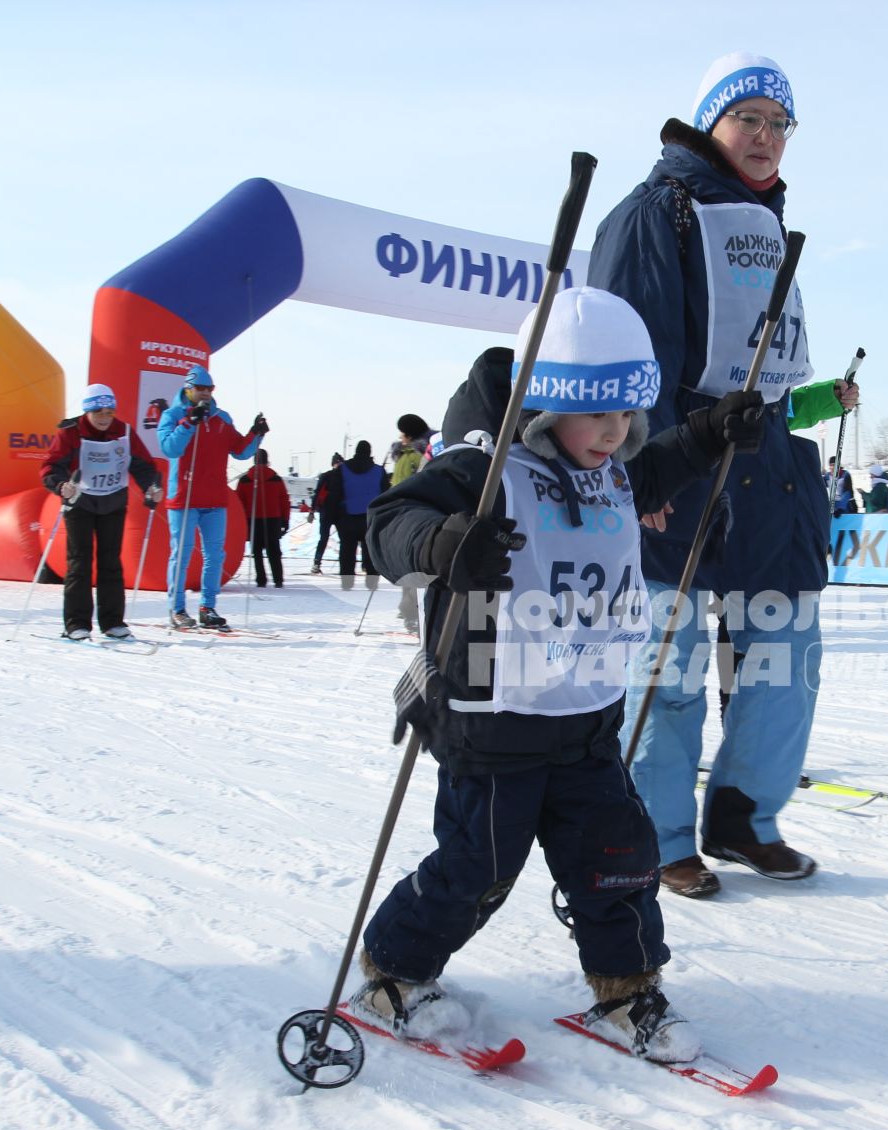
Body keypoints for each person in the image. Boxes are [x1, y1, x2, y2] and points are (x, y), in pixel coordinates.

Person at [358, 288, 762, 1059]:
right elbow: (388, 524)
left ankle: (627, 992)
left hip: (585, 715)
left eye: (623, 416)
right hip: (491, 711)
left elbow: (663, 464)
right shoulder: (488, 471)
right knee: (478, 864)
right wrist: (443, 543)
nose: (614, 433)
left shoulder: (612, 470)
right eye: (596, 414)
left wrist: (711, 432)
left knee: (619, 857)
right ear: (547, 408)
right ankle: (393, 973)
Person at [591, 51, 840, 898]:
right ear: (710, 121)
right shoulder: (655, 213)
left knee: (787, 661)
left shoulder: (766, 223)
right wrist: (643, 469)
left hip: (768, 472)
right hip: (685, 465)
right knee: (669, 669)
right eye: (749, 119)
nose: (766, 137)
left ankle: (745, 819)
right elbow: (626, 353)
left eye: (780, 124)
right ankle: (659, 836)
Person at [42, 384, 161, 640]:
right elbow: (51, 466)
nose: (105, 418)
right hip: (80, 503)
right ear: (87, 412)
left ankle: (112, 622)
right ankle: (77, 623)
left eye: (109, 412)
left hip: (113, 503)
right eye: (99, 412)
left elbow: (143, 465)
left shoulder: (124, 432)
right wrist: (62, 486)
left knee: (111, 563)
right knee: (79, 563)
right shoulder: (70, 433)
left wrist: (152, 487)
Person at [157, 366, 265, 629]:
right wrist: (189, 423)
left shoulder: (221, 418)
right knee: (181, 555)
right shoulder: (172, 415)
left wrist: (256, 433)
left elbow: (239, 451)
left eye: (209, 389)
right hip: (183, 498)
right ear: (188, 389)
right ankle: (177, 608)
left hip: (214, 499)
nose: (205, 393)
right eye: (200, 389)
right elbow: (169, 448)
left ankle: (208, 607)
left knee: (215, 555)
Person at [386, 414, 434, 631]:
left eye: (403, 432)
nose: (400, 436)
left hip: (416, 513)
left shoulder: (419, 453)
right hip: (402, 513)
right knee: (407, 562)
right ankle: (409, 608)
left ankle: (412, 611)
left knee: (413, 563)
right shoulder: (404, 453)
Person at [318, 440, 386, 588]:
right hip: (370, 519)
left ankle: (347, 582)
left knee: (347, 550)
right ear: (370, 452)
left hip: (347, 518)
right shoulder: (379, 471)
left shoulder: (342, 470)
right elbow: (385, 496)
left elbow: (334, 496)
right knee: (370, 551)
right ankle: (372, 582)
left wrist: (332, 518)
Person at [235, 448, 291, 587]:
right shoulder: (276, 479)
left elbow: (239, 503)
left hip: (252, 521)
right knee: (274, 552)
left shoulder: (244, 480)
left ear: (254, 461)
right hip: (273, 520)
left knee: (257, 553)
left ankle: (261, 580)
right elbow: (284, 500)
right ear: (267, 461)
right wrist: (286, 520)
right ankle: (278, 580)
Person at [310, 452, 344, 573]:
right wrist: (312, 511)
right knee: (340, 539)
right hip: (336, 512)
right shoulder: (342, 477)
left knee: (326, 538)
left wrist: (312, 511)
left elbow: (317, 493)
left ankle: (317, 563)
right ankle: (319, 563)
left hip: (330, 512)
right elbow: (317, 492)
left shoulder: (327, 476)